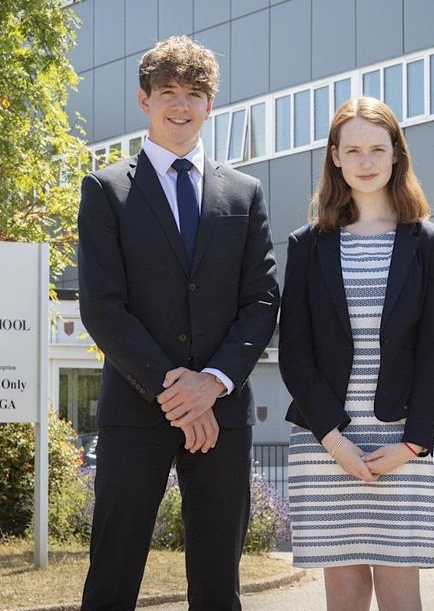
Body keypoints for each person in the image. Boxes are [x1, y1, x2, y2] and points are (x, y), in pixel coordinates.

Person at [77, 35, 280, 611]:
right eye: (168, 91)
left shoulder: (244, 193)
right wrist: (176, 390)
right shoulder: (107, 189)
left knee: (218, 584)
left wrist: (211, 383)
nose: (181, 105)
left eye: (194, 93)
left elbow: (263, 300)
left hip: (223, 412)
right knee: (112, 578)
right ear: (144, 99)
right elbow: (102, 306)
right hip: (136, 410)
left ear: (210, 105)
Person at [278, 97, 434, 611]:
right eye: (352, 150)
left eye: (377, 149)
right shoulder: (307, 245)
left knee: (400, 596)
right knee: (346, 596)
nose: (366, 161)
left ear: (397, 153)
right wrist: (335, 442)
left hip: (402, 442)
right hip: (325, 441)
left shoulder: (430, 243)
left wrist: (413, 443)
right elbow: (294, 354)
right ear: (335, 156)